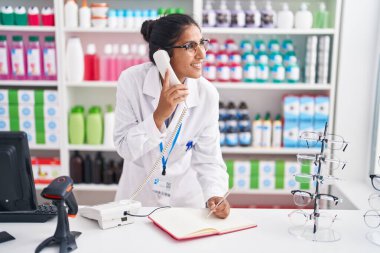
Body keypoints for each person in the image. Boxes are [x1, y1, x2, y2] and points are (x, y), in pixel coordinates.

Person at [114, 14, 230, 218]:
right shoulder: (131, 81)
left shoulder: (207, 94)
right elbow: (125, 148)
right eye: (190, 46)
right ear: (163, 55)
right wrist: (158, 116)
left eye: (202, 43)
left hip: (186, 201)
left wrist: (214, 194)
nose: (202, 54)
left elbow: (209, 159)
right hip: (139, 198)